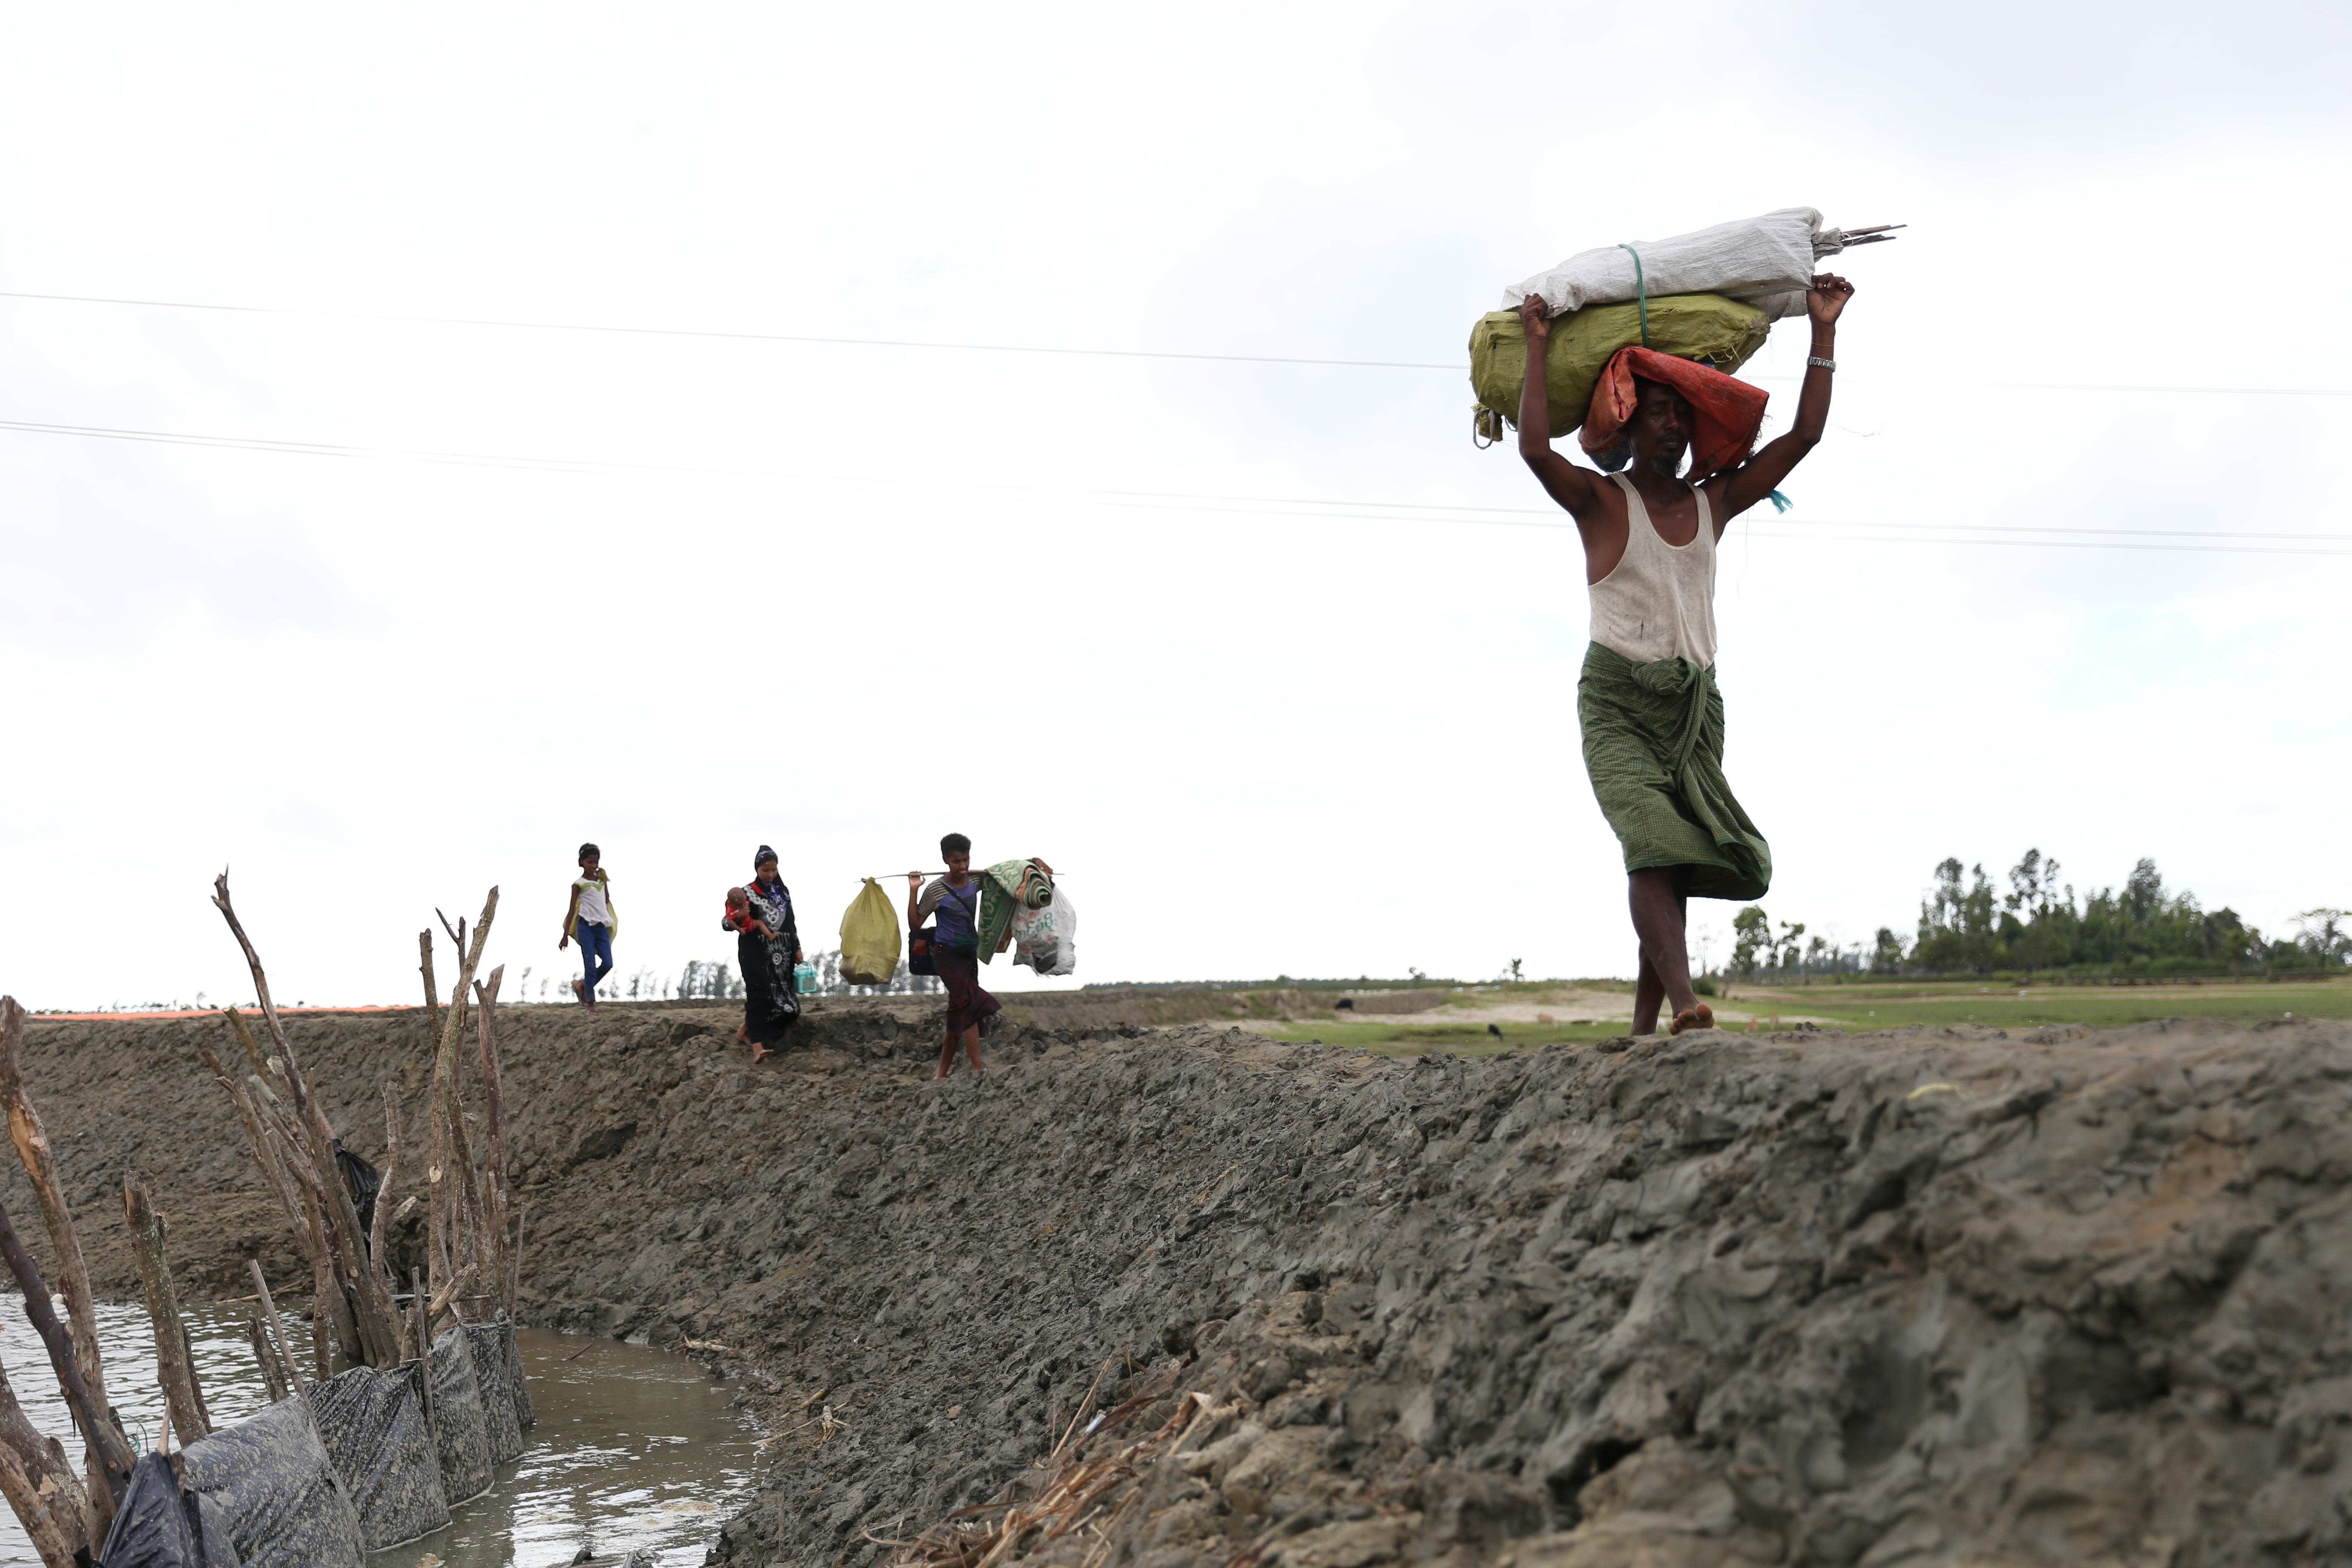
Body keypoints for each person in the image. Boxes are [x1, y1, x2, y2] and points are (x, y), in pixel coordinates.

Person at [1515, 272, 1856, 1035]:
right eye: (1657, 413)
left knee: (1676, 857)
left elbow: (1803, 438)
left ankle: (1643, 1029)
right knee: (1651, 842)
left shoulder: (1715, 501)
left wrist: (1823, 330)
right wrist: (1538, 346)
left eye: (1681, 415)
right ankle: (1684, 1005)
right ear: (1627, 424)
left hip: (1695, 709)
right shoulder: (1601, 503)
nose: (1671, 427)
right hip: (1617, 704)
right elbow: (1535, 448)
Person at [907, 833, 999, 1079]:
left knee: (958, 1009)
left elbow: (1007, 877)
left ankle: (941, 1073)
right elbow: (916, 925)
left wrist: (1033, 864)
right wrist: (914, 890)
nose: (963, 867)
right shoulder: (936, 890)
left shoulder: (977, 880)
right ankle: (978, 1067)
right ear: (945, 860)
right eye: (957, 862)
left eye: (966, 860)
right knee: (968, 1004)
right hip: (946, 956)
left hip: (970, 954)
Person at [731, 846, 804, 1062]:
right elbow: (726, 922)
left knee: (785, 1003)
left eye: (773, 870)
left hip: (783, 955)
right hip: (755, 953)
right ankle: (757, 1047)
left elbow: (791, 923)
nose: (770, 874)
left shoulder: (784, 892)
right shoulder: (745, 893)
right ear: (757, 869)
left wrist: (797, 947)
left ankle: (745, 1031)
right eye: (765, 870)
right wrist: (739, 917)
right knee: (759, 996)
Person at [558, 842, 617, 1012]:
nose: (594, 866)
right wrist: (565, 935)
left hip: (602, 927)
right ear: (582, 862)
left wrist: (603, 879)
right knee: (590, 965)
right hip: (585, 927)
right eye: (590, 862)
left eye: (596, 862)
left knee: (608, 963)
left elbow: (606, 900)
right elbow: (572, 910)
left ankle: (582, 985)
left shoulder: (602, 881)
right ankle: (591, 1004)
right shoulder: (579, 884)